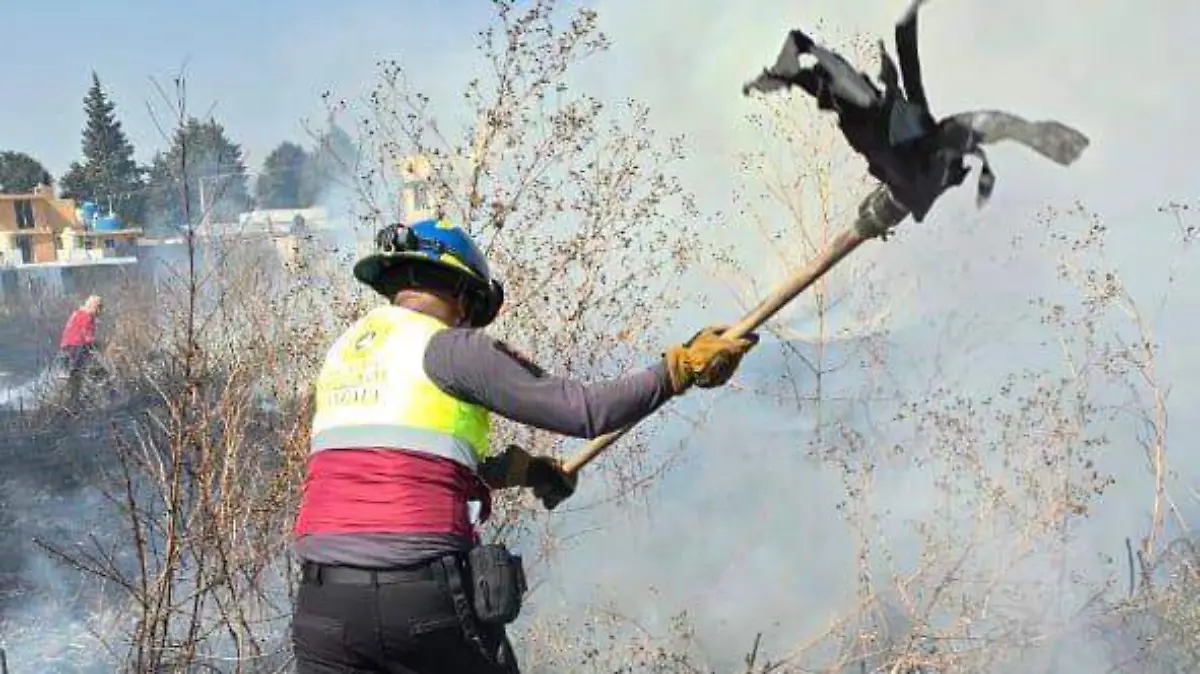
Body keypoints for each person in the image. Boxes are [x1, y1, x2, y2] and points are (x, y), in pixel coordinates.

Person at [290, 218, 759, 673]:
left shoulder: (345, 355)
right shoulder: (452, 349)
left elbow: (390, 463)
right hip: (418, 601)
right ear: (463, 295)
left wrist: (520, 472)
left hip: (324, 609)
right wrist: (675, 371)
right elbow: (585, 411)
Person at [56, 295, 104, 402]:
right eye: (100, 308)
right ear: (96, 307)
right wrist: (97, 344)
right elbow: (86, 335)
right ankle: (75, 400)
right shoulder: (87, 316)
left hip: (65, 347)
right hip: (77, 347)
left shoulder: (77, 313)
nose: (100, 311)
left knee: (65, 375)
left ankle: (63, 400)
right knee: (79, 373)